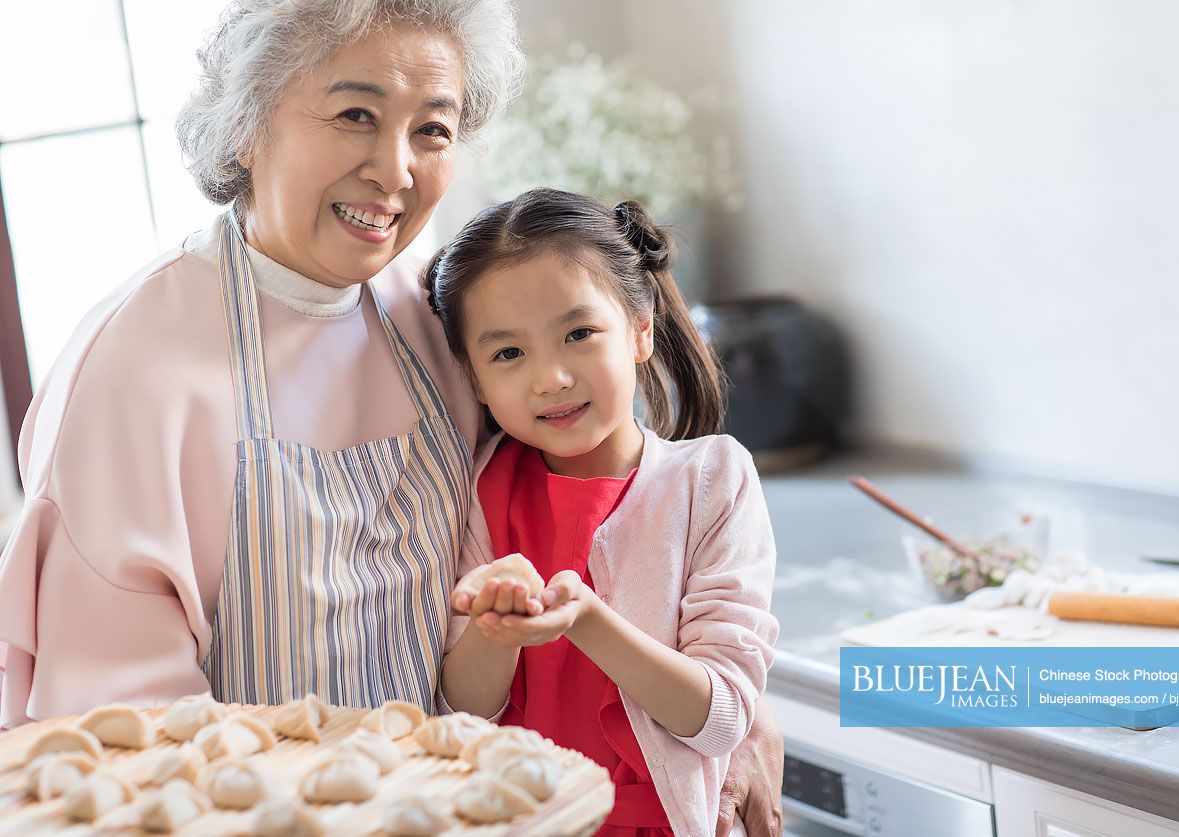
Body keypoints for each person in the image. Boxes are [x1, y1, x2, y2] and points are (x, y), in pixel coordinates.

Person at [0, 2, 783, 831]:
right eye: (355, 115)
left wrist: (732, 715)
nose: (395, 168)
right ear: (246, 126)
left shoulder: (436, 319)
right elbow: (125, 741)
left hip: (463, 806)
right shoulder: (134, 368)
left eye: (432, 130)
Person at [426, 188, 779, 836]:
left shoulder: (710, 479)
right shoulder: (481, 486)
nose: (551, 377)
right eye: (508, 352)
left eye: (578, 333)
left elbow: (722, 715)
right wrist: (492, 629)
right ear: (474, 378)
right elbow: (464, 706)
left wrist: (587, 618)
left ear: (640, 328)